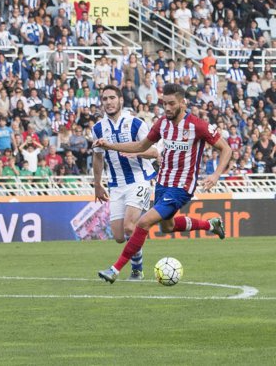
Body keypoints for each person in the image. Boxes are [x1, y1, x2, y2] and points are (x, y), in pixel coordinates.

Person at [95, 84, 232, 283]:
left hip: (181, 187)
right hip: (162, 182)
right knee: (167, 227)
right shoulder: (162, 124)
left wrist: (217, 174)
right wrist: (110, 145)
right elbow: (141, 146)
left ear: (183, 103)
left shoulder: (198, 126)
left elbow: (226, 149)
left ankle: (115, 270)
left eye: (171, 104)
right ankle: (210, 224)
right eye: (164, 103)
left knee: (143, 222)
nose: (167, 108)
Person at [91, 85, 159, 280]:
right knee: (119, 236)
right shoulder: (98, 128)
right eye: (105, 99)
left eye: (112, 98)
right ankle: (141, 235)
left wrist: (134, 151)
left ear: (121, 100)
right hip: (116, 184)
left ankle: (136, 270)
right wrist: (97, 184)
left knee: (130, 226)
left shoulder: (136, 123)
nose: (109, 102)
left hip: (139, 179)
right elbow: (97, 157)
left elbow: (153, 152)